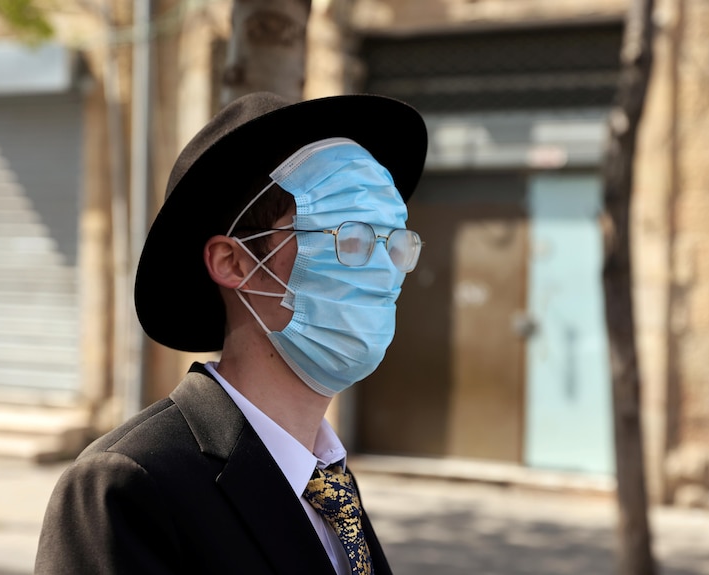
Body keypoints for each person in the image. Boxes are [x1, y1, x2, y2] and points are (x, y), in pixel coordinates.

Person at [35, 91, 427, 574]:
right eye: (348, 237)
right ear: (234, 262)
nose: (384, 272)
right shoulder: (129, 485)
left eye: (394, 242)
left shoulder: (327, 483)